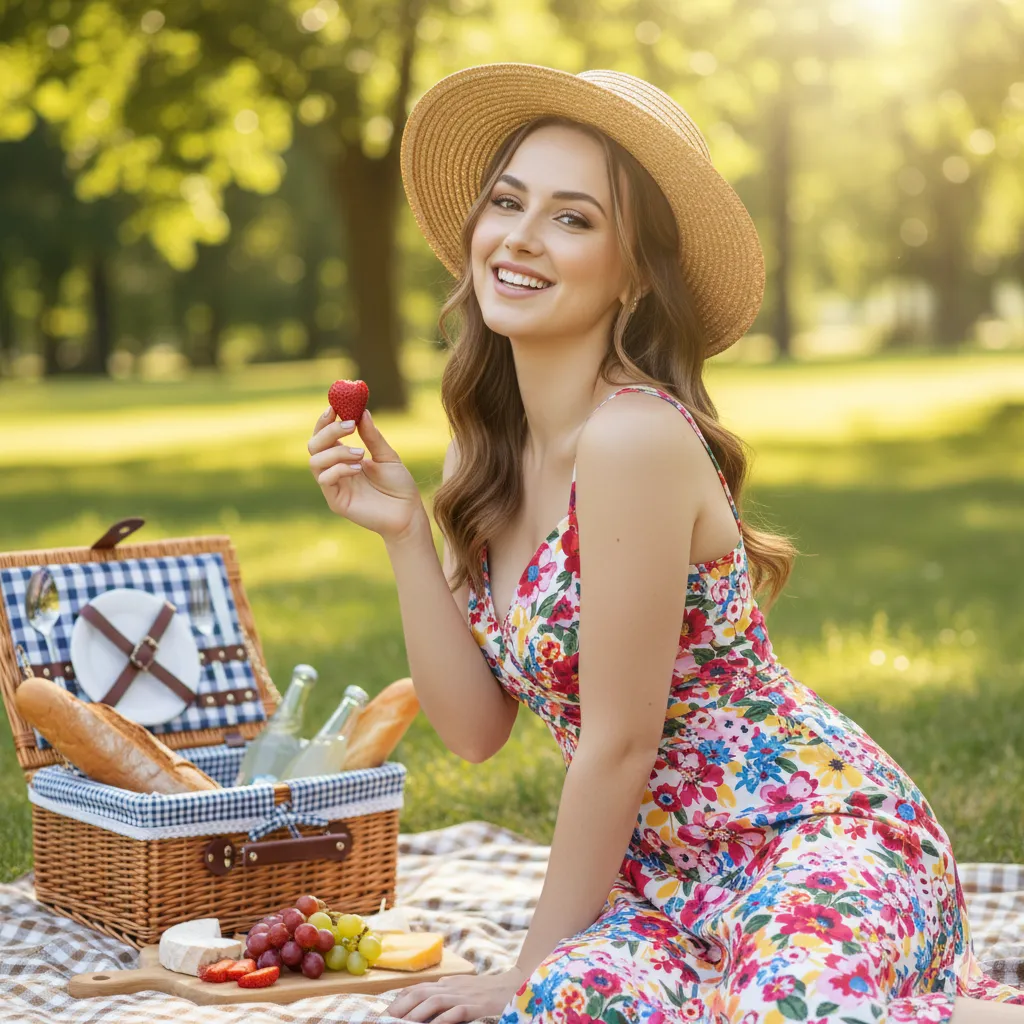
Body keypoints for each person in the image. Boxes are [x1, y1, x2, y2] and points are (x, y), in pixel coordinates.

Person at [307, 64, 1024, 1024]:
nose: (520, 237)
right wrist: (401, 530)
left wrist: (522, 962)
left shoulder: (633, 437)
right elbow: (476, 733)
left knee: (781, 1014)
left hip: (809, 839)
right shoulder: (492, 446)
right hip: (665, 887)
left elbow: (621, 738)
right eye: (508, 202)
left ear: (635, 271)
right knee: (565, 1007)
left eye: (573, 218)